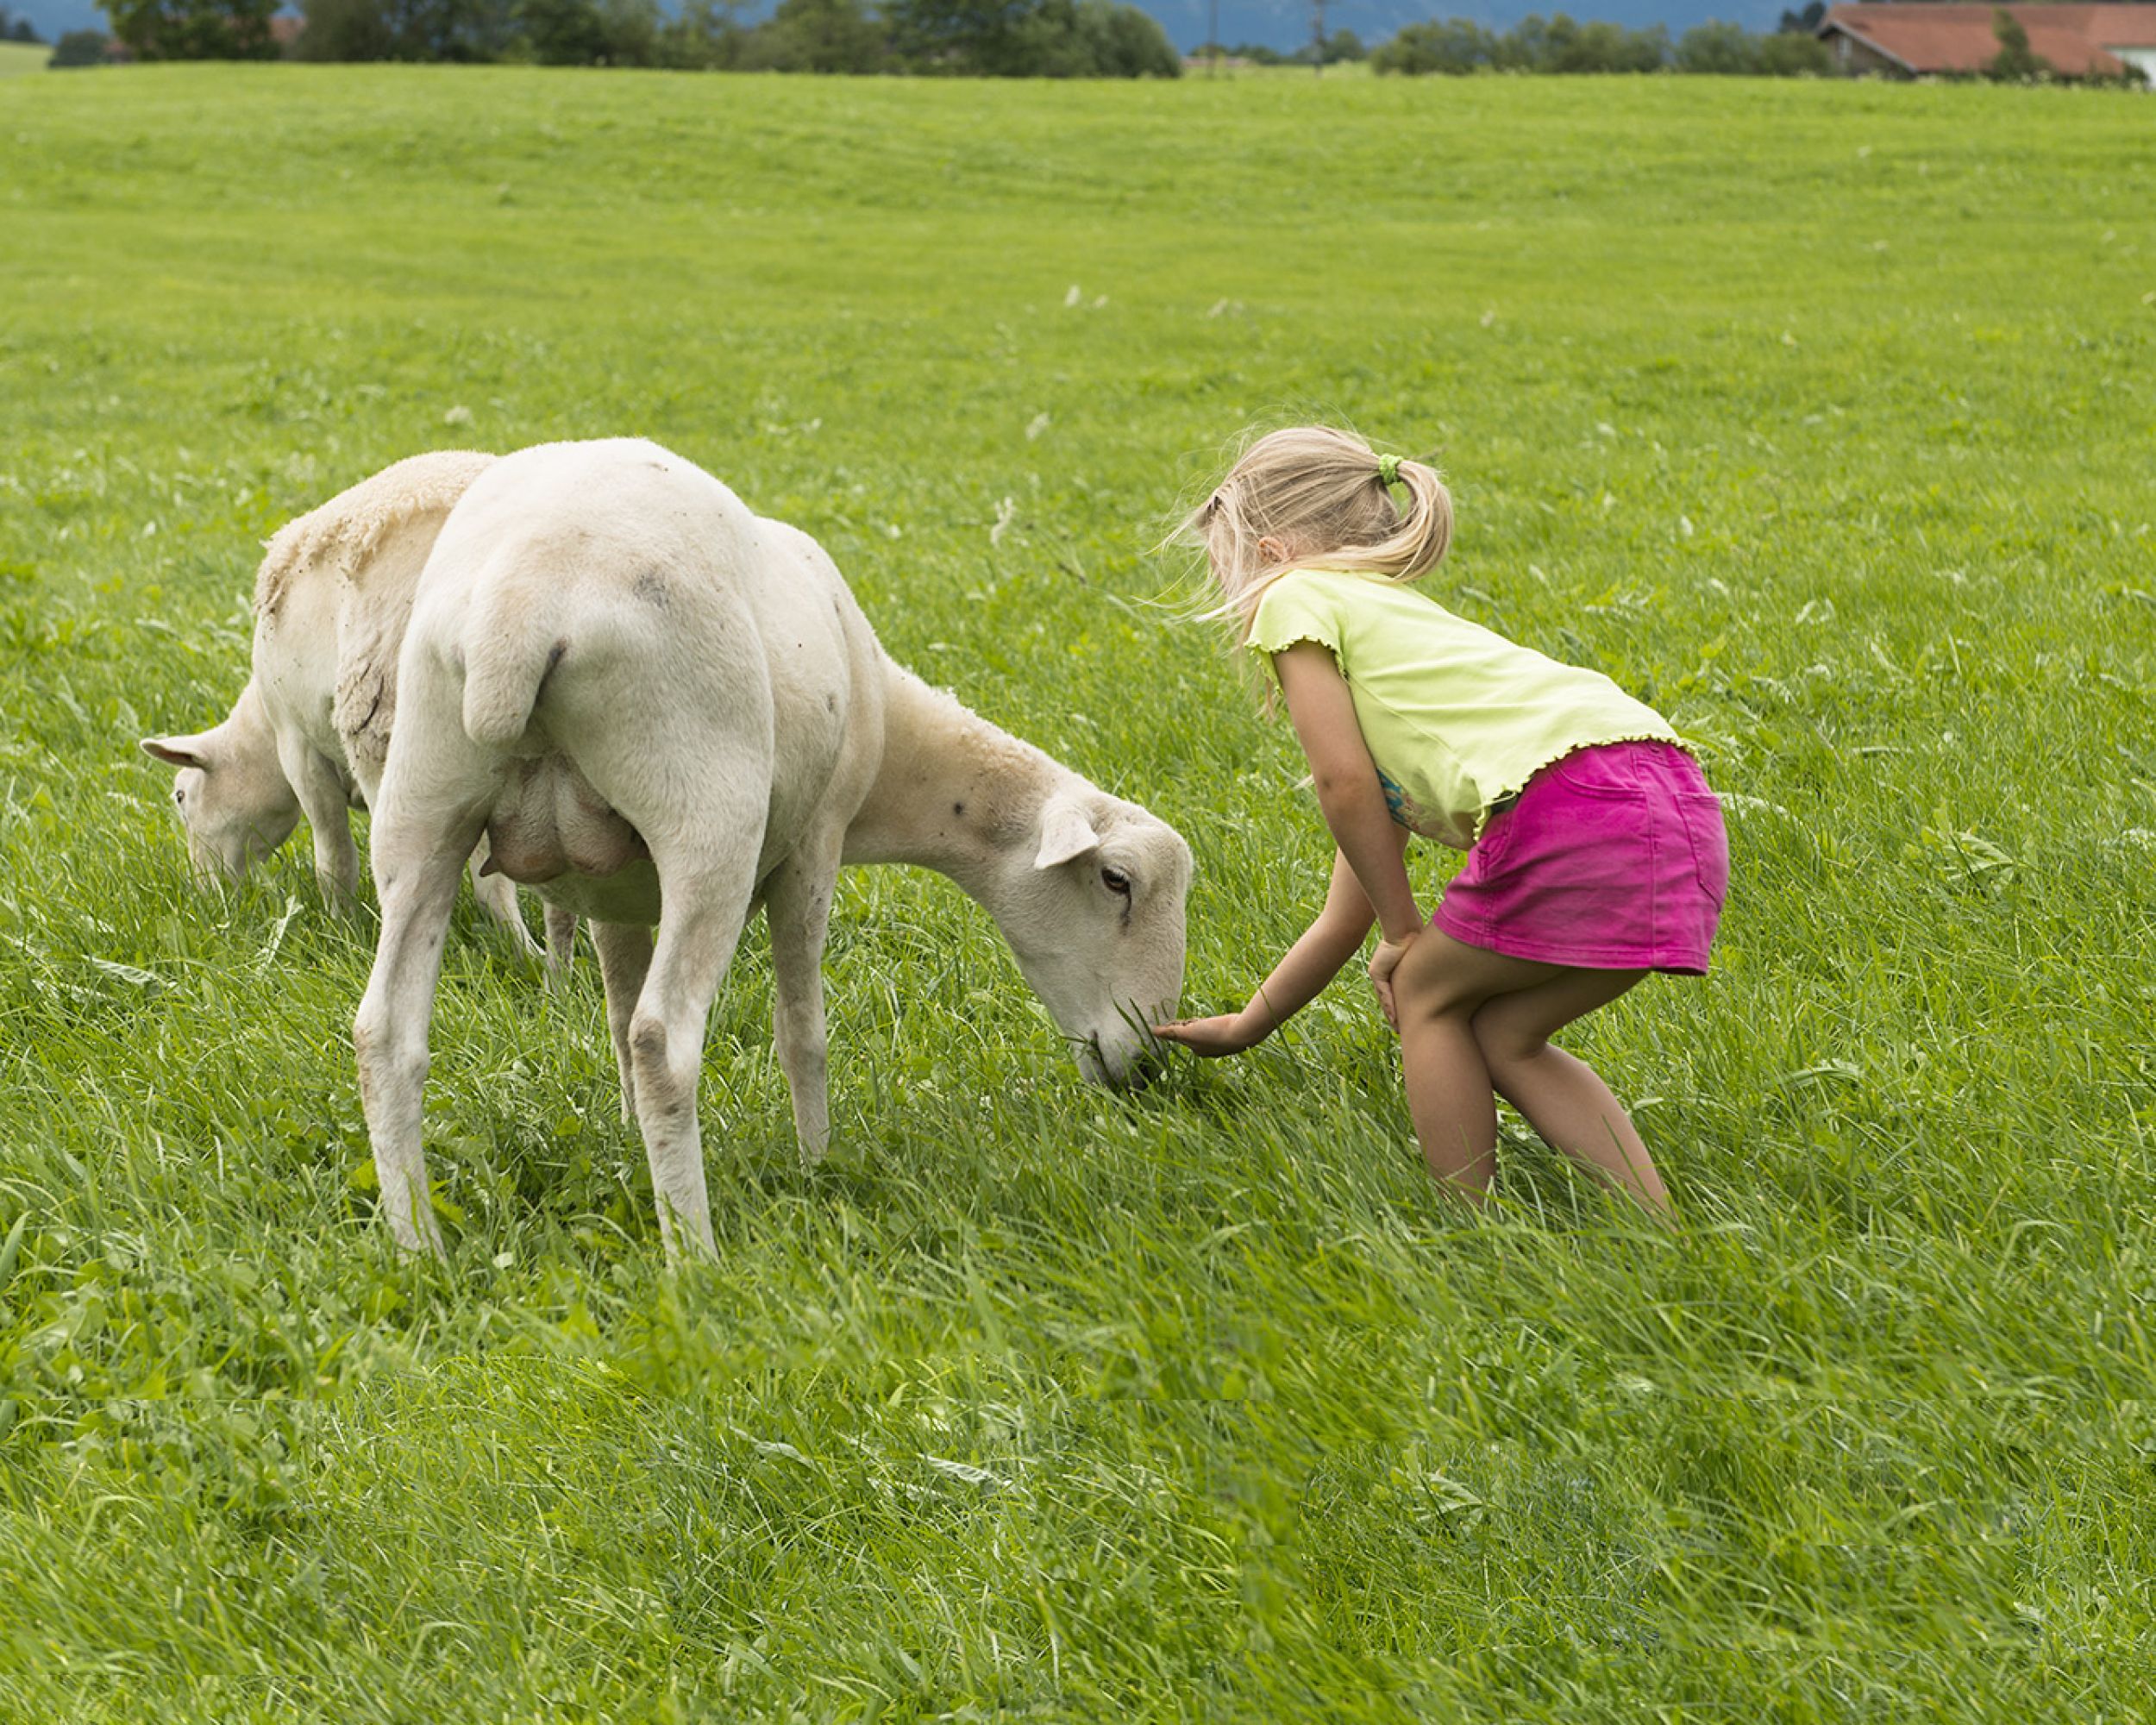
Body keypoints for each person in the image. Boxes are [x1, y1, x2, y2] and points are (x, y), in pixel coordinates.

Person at [1153, 426, 1727, 1213]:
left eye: (1227, 569)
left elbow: (1342, 783)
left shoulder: (1296, 595)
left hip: (1571, 801)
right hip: (1674, 799)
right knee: (1505, 1035)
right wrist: (1247, 1025)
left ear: (1273, 551)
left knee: (1424, 993)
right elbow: (1346, 914)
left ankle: (1469, 1230)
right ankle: (1656, 1229)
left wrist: (1405, 936)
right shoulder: (1403, 641)